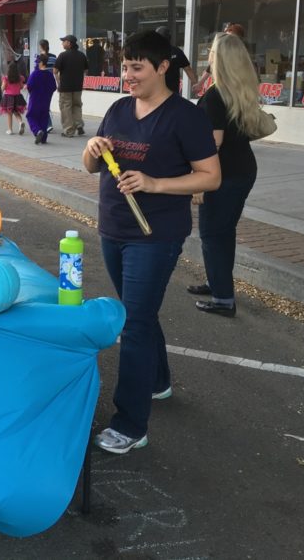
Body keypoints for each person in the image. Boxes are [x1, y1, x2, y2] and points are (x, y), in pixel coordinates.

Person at [81, 30, 220, 454]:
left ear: (162, 67)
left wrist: (155, 182)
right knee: (138, 313)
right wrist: (91, 147)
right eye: (124, 67)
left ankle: (130, 423)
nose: (128, 75)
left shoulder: (185, 116)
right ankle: (157, 382)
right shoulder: (120, 108)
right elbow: (90, 166)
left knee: (135, 323)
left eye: (136, 67)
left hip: (155, 235)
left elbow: (210, 176)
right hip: (114, 228)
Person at [188, 33, 262, 317]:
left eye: (211, 52)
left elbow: (213, 143)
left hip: (221, 175)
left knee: (212, 234)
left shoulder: (216, 95)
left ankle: (223, 299)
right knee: (224, 232)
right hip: (242, 169)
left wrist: (199, 182)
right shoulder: (241, 89)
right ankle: (217, 282)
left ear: (218, 59)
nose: (208, 55)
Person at [192, 23, 246, 96]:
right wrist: (200, 83)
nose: (226, 37)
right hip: (223, 87)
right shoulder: (222, 50)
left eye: (228, 33)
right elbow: (210, 67)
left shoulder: (242, 52)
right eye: (225, 33)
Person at [53, 34, 88, 136]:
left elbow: (55, 70)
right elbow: (86, 70)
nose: (62, 43)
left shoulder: (63, 55)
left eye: (63, 41)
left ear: (69, 43)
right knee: (77, 105)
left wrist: (59, 83)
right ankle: (79, 125)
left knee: (66, 107)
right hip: (78, 86)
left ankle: (69, 130)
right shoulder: (82, 55)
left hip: (65, 87)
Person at [26, 52, 57, 144]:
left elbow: (29, 86)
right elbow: (53, 87)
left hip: (35, 99)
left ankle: (37, 131)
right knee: (44, 117)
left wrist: (32, 91)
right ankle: (43, 138)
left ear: (41, 63)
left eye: (37, 62)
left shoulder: (35, 74)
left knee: (31, 116)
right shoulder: (49, 75)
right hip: (46, 100)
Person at [155, 26, 195, 96]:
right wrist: (194, 83)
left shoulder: (151, 52)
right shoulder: (177, 51)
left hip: (156, 90)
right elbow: (187, 69)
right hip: (173, 91)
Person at [0, 61, 27, 135]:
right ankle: (20, 122)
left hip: (8, 97)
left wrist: (2, 86)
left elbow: (3, 88)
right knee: (17, 112)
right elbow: (21, 87)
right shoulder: (20, 78)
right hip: (17, 97)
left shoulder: (6, 78)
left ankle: (10, 130)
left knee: (9, 113)